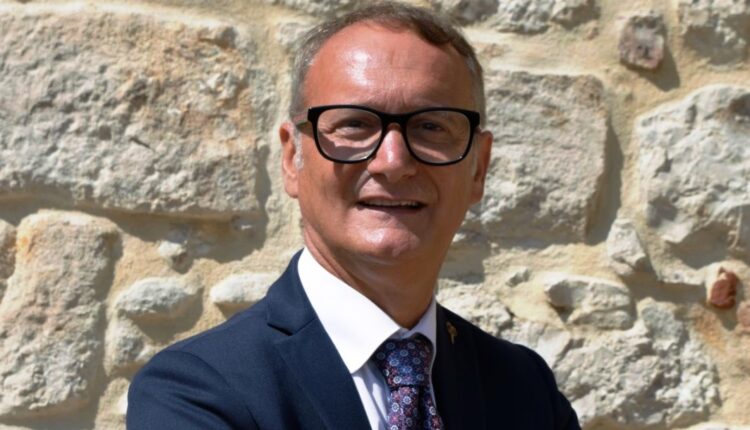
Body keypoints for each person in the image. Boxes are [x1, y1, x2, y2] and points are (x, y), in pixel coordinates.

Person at [127, 2, 581, 429]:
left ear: (478, 168)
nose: (393, 162)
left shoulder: (525, 392)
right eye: (355, 124)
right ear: (292, 159)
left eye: (431, 126)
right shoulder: (197, 391)